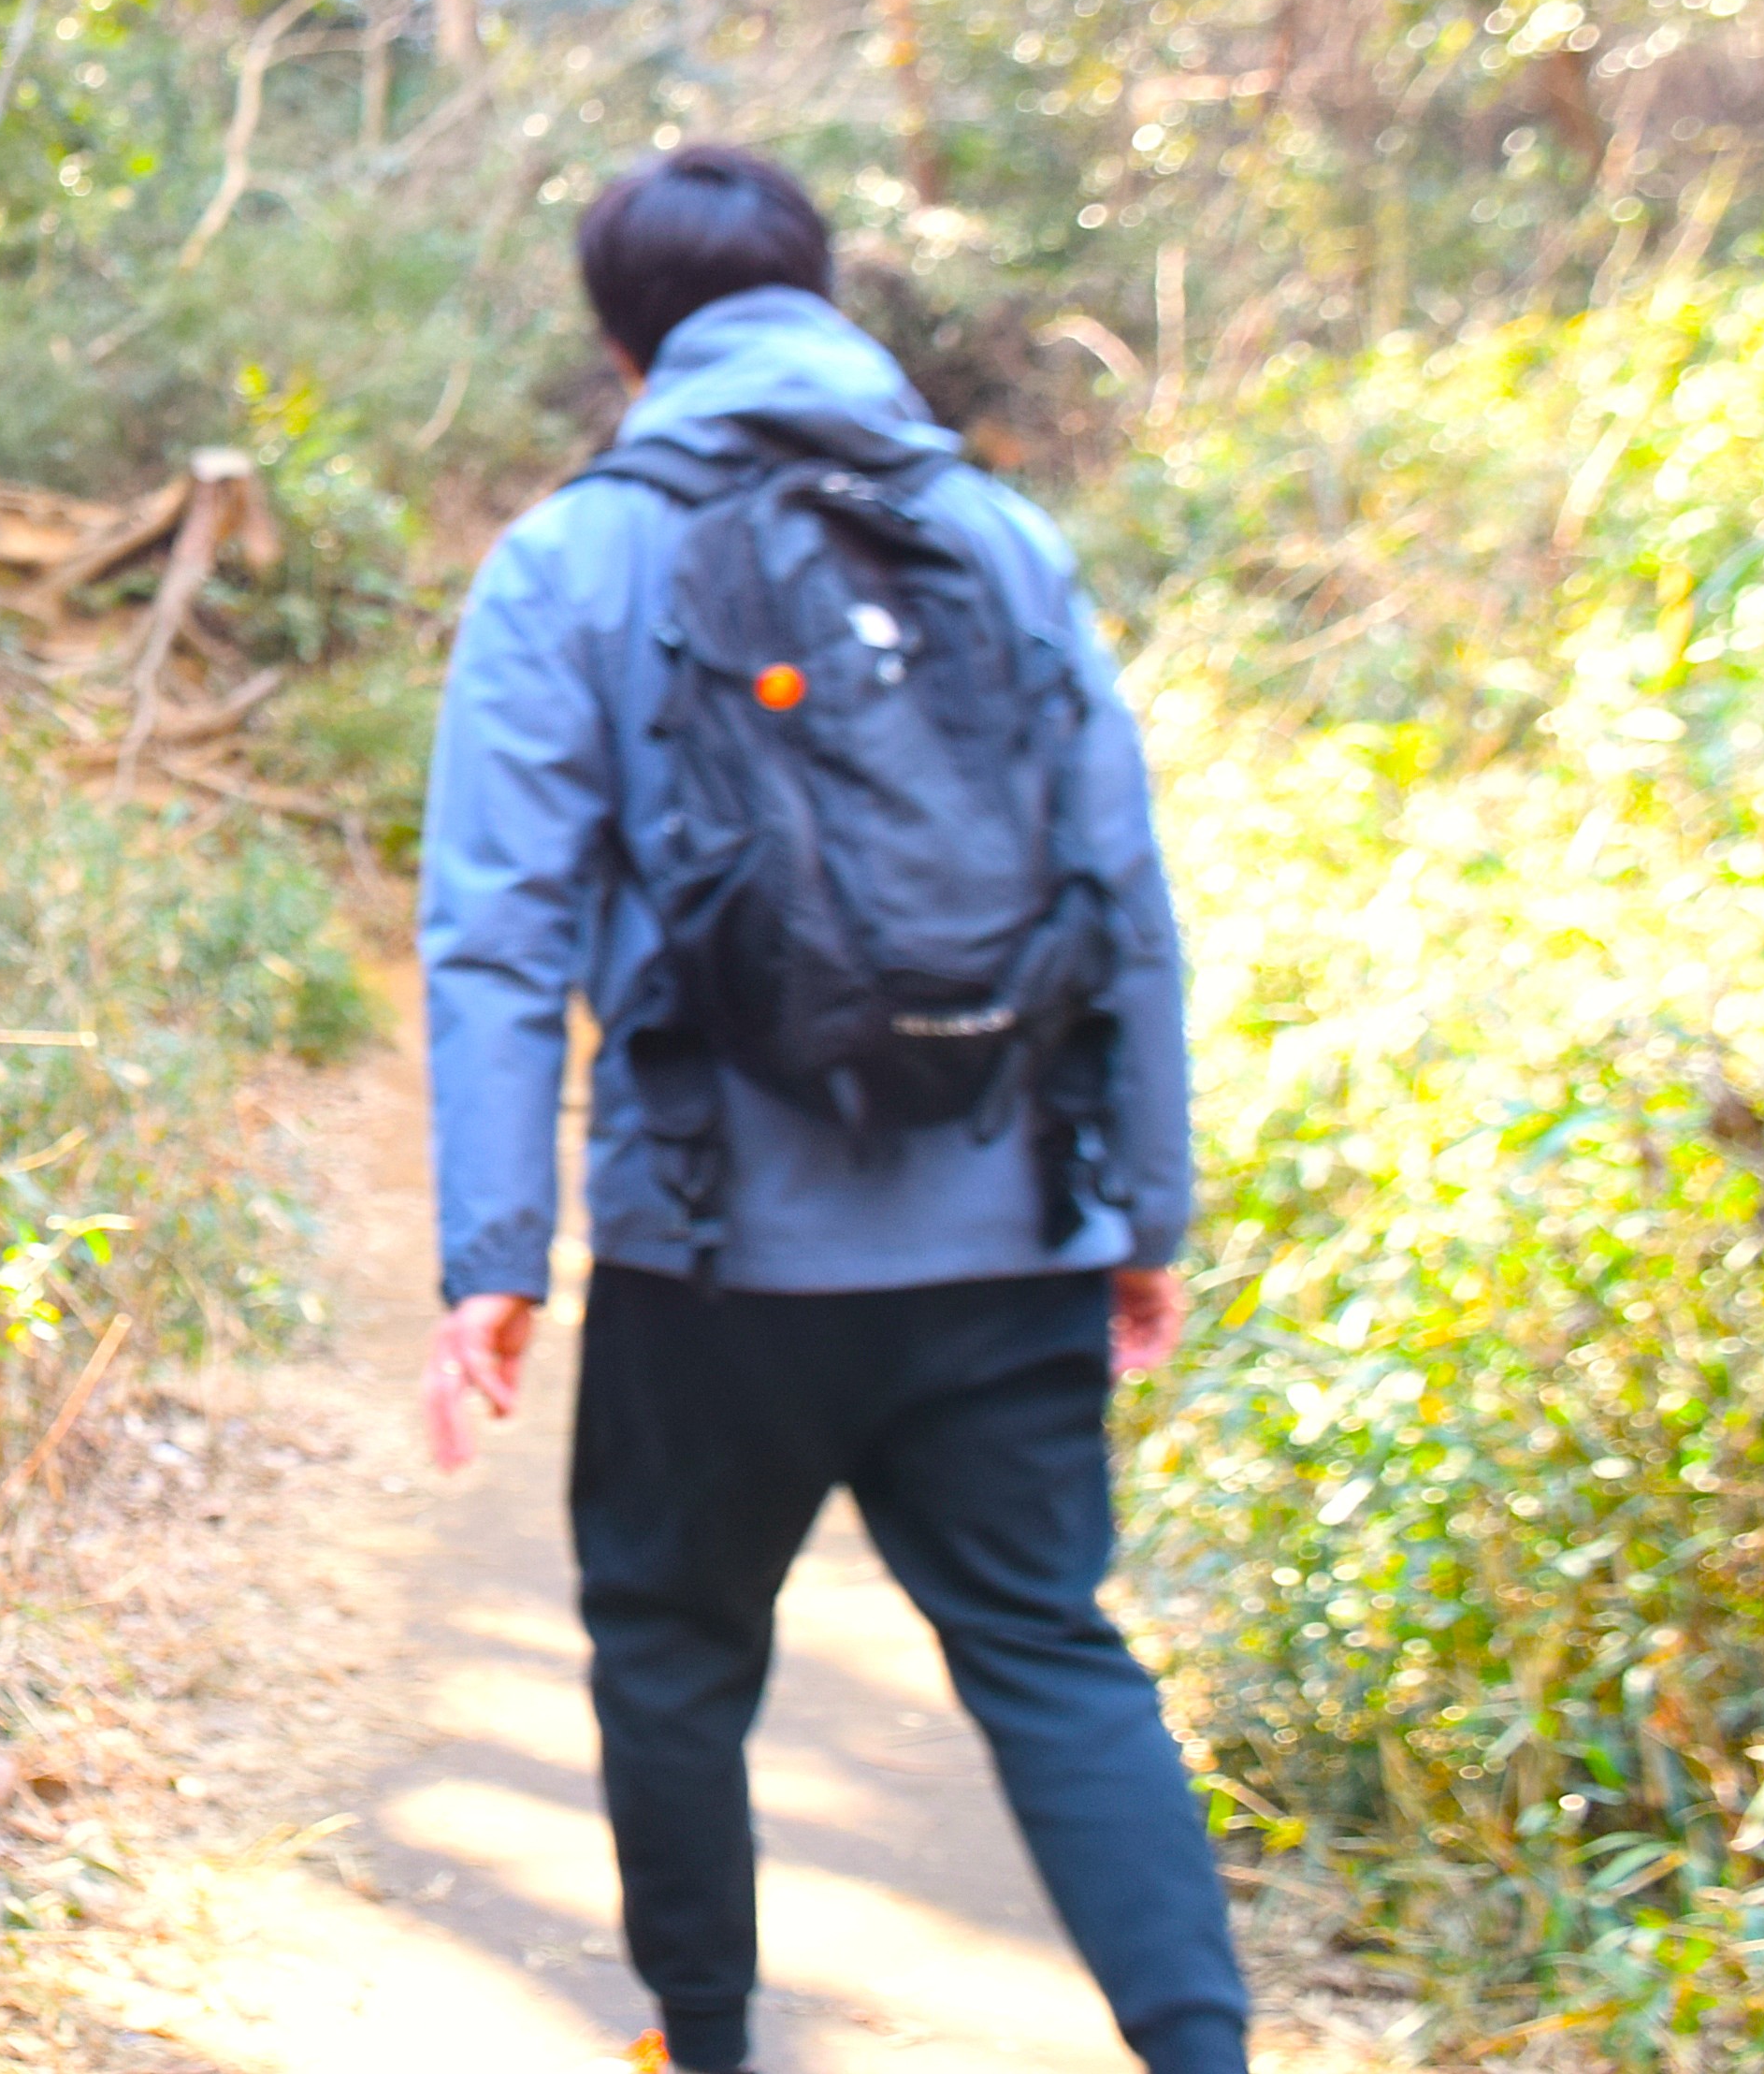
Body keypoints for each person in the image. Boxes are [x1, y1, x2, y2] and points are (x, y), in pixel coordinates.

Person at [414, 146, 1248, 2074]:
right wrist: (1142, 1211)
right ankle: (1204, 2055)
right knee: (1051, 1652)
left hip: (720, 1252)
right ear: (822, 292)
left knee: (671, 1649)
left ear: (623, 342)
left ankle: (702, 2044)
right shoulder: (1002, 544)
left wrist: (491, 1259)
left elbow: (491, 937)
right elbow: (1120, 892)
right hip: (1011, 1216)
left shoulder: (569, 561)